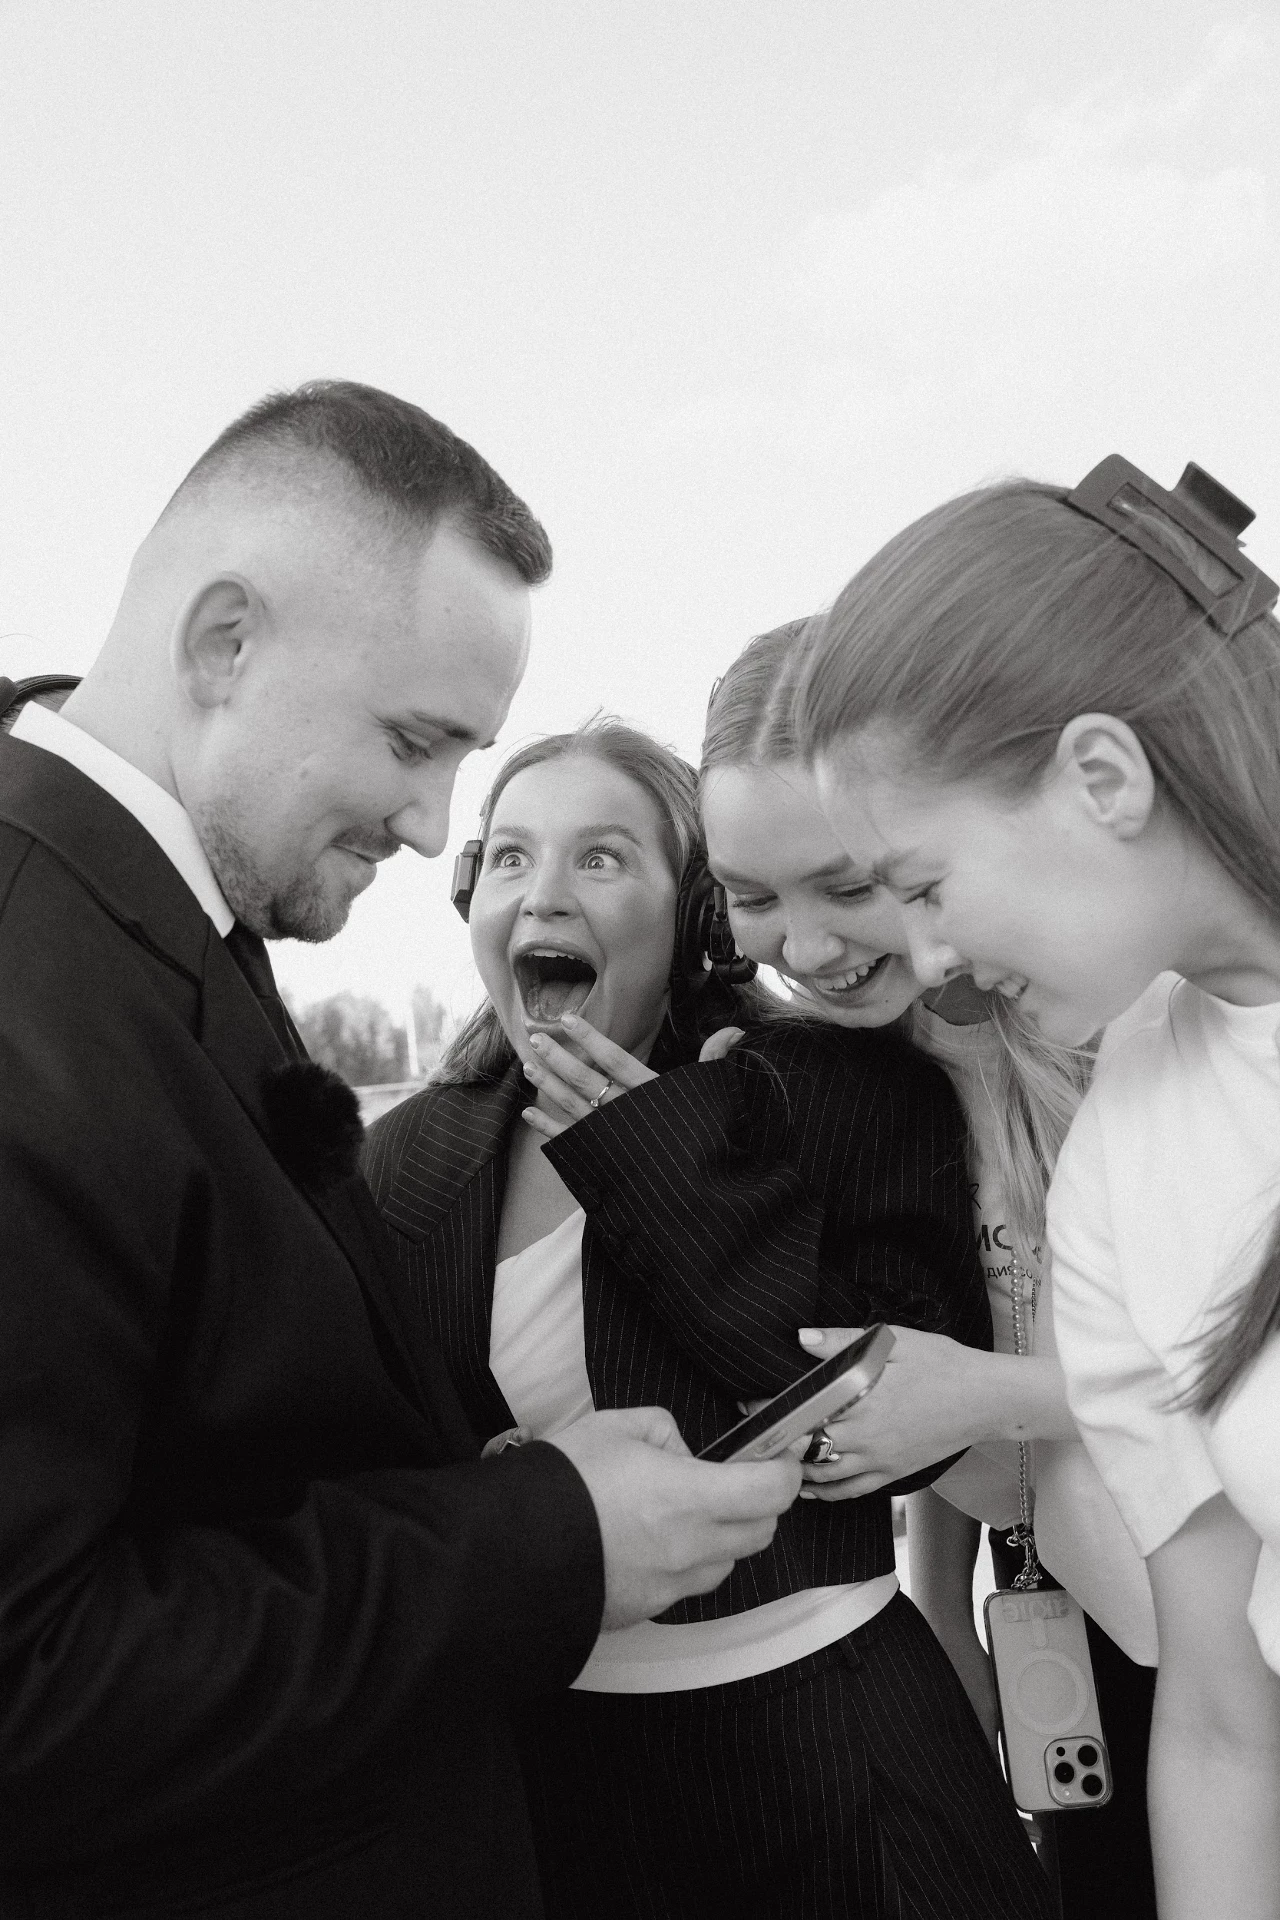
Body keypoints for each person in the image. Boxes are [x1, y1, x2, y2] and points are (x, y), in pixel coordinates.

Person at [0, 381, 800, 1919]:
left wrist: (502, 1480)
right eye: (414, 742)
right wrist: (546, 1541)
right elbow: (32, 1680)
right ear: (224, 644)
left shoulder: (151, 919)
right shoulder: (30, 974)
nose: (438, 831)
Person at [364, 716, 1054, 1920]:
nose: (543, 894)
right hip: (549, 1776)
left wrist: (667, 1168)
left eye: (600, 856)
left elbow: (883, 1429)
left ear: (693, 915)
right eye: (511, 857)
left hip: (834, 1757)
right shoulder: (401, 1159)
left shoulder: (838, 1090)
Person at [789, 458, 1280, 1920]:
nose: (923, 959)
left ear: (1101, 778)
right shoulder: (1128, 1135)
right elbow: (1222, 1715)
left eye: (923, 885)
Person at [699, 620, 1160, 1916]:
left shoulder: (1125, 1018)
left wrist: (988, 1398)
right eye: (752, 896)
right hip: (1071, 1623)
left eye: (845, 886)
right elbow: (946, 1345)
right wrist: (945, 1607)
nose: (804, 947)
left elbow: (1216, 1367)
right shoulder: (848, 1077)